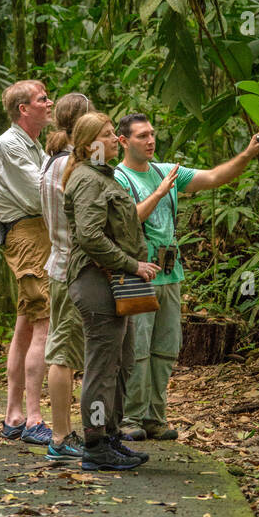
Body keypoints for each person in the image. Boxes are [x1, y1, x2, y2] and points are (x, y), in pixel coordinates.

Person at [115, 113, 259, 442]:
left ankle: (155, 417)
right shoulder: (118, 178)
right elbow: (128, 221)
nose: (150, 140)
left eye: (152, 134)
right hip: (138, 274)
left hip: (170, 274)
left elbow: (215, 177)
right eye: (142, 136)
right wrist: (158, 193)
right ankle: (129, 418)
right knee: (138, 350)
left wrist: (248, 153)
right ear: (123, 142)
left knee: (166, 348)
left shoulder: (166, 170)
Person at [63, 111, 159, 472]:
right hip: (95, 282)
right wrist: (133, 265)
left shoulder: (104, 176)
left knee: (121, 362)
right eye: (107, 134)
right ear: (91, 146)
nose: (113, 139)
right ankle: (94, 444)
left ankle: (111, 435)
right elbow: (89, 235)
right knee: (102, 366)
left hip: (116, 284)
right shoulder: (89, 179)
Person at [0, 79, 55, 444]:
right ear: (23, 109)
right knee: (44, 320)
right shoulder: (10, 145)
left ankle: (14, 415)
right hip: (27, 233)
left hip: (35, 232)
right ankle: (33, 419)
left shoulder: (31, 144)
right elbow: (39, 191)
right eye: (43, 99)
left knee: (27, 322)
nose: (50, 102)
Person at [38, 92, 91, 463]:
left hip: (59, 262)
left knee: (68, 350)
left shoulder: (50, 161)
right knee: (64, 353)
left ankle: (69, 431)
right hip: (72, 265)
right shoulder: (68, 164)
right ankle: (59, 436)